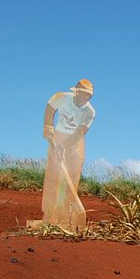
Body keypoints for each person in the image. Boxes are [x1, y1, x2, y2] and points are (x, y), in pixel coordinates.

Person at [41, 79, 96, 230]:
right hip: (58, 135)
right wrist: (48, 126)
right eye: (83, 95)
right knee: (54, 175)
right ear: (76, 92)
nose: (85, 99)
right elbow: (50, 109)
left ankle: (67, 216)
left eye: (88, 97)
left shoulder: (90, 112)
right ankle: (50, 216)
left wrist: (64, 146)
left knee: (72, 175)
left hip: (76, 142)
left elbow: (80, 132)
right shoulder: (61, 97)